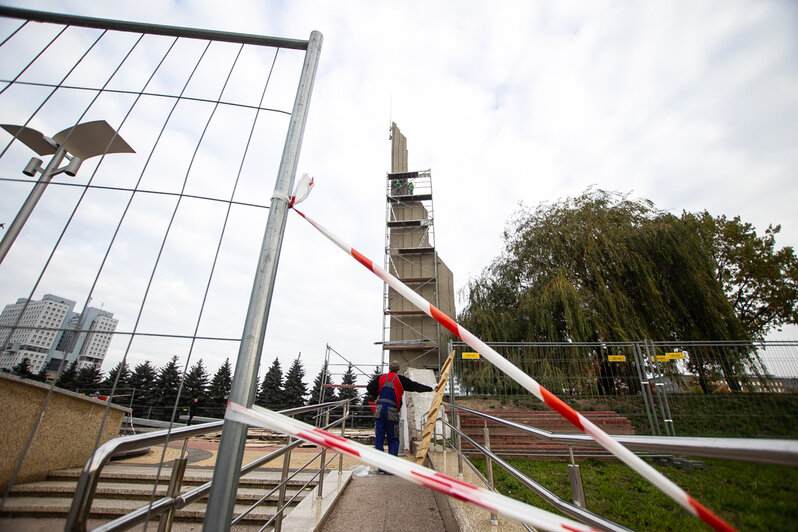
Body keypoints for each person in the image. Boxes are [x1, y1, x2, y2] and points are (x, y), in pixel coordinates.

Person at [366, 360, 432, 459]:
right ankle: (392, 466)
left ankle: (380, 466)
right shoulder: (400, 379)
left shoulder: (381, 377)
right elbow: (415, 386)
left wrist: (378, 394)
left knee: (379, 438)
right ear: (398, 369)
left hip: (379, 409)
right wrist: (431, 388)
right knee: (393, 438)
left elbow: (369, 387)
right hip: (391, 411)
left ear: (389, 368)